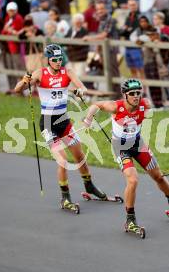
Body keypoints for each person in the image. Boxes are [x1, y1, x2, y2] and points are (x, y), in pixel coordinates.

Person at [83, 78, 169, 233]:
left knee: (159, 176)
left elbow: (148, 110)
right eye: (132, 93)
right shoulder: (116, 106)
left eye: (138, 93)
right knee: (133, 180)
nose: (136, 96)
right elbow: (96, 105)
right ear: (125, 95)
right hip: (121, 147)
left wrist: (146, 113)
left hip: (138, 144)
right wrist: (88, 118)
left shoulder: (144, 104)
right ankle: (130, 220)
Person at [14, 44, 110, 212]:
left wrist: (80, 91)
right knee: (63, 160)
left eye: (60, 59)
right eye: (55, 60)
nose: (58, 62)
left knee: (79, 155)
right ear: (48, 60)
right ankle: (65, 197)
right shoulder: (40, 73)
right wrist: (25, 81)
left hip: (63, 121)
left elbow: (82, 87)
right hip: (48, 123)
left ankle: (89, 186)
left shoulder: (67, 72)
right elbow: (17, 90)